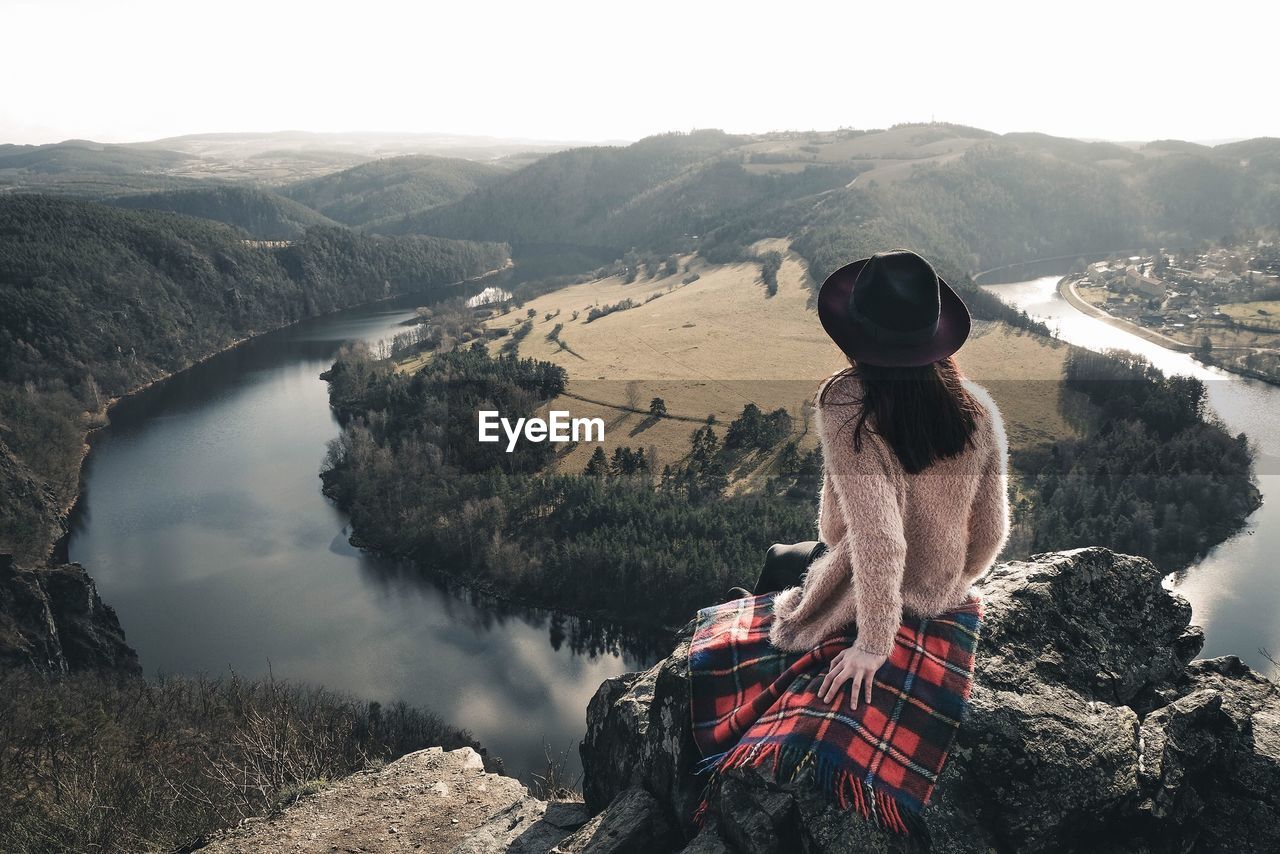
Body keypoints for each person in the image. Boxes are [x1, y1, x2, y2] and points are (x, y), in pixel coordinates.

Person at [752, 248, 1010, 708]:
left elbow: (879, 537)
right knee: (788, 559)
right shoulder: (977, 407)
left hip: (866, 583)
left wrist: (873, 644)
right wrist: (950, 581)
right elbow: (993, 529)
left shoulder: (846, 402)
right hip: (940, 585)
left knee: (778, 564)